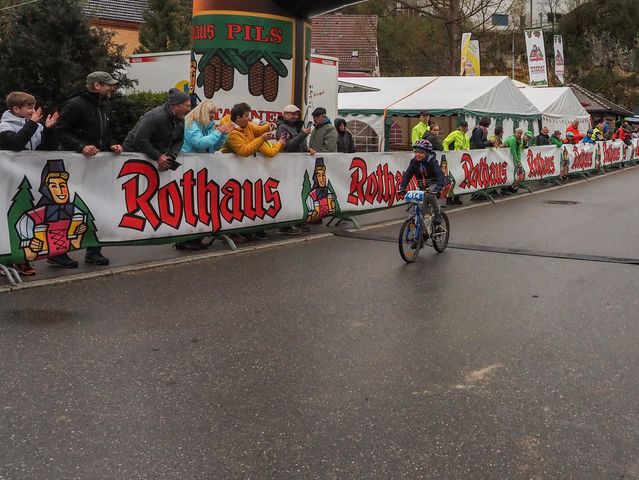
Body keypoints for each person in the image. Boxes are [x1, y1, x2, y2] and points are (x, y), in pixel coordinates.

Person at [53, 71, 123, 268]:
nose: (111, 88)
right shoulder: (75, 105)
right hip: (74, 165)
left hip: (97, 165)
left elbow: (105, 134)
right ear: (97, 85)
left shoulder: (104, 106)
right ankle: (58, 252)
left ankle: (94, 251)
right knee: (68, 207)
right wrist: (80, 146)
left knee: (96, 207)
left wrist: (112, 144)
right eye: (108, 85)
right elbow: (60, 131)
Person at [0, 92, 60, 276]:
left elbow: (46, 149)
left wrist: (48, 130)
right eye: (29, 107)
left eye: (34, 107)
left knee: (25, 219)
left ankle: (21, 258)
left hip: (28, 180)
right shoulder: (5, 125)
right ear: (16, 109)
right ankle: (5, 260)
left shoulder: (35, 125)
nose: (33, 110)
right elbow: (15, 144)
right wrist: (32, 125)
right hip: (7, 180)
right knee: (6, 219)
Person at [124, 87, 191, 171]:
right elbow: (140, 139)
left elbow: (179, 140)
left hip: (152, 156)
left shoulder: (180, 118)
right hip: (132, 154)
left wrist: (171, 156)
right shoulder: (156, 116)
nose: (189, 109)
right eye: (187, 106)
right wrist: (158, 156)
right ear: (177, 105)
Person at [275, 104, 313, 235]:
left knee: (296, 195)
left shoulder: (294, 127)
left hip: (296, 167)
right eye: (292, 114)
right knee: (287, 196)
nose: (295, 116)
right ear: (285, 114)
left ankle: (295, 220)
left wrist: (307, 149)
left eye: (296, 114)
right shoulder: (282, 128)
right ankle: (284, 225)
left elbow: (298, 144)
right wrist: (302, 135)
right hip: (287, 167)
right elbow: (288, 146)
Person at [397, 139, 445, 223]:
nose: (417, 154)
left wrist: (439, 187)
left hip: (433, 184)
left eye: (421, 152)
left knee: (429, 195)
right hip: (422, 186)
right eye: (416, 152)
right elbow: (407, 175)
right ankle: (416, 222)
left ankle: (438, 215)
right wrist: (402, 187)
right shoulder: (414, 162)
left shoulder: (432, 161)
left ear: (427, 153)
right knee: (418, 207)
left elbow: (440, 174)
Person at [442, 121, 469, 205]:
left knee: (459, 178)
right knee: (451, 179)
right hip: (454, 159)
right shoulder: (455, 133)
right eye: (462, 126)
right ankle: (449, 198)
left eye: (465, 126)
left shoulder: (467, 137)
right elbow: (445, 142)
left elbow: (468, 147)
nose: (464, 128)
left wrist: (467, 152)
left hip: (462, 160)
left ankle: (457, 197)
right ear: (460, 126)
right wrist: (447, 153)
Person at [503, 128, 525, 193]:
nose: (520, 135)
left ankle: (512, 186)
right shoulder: (512, 139)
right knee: (508, 172)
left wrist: (519, 161)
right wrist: (517, 161)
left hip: (510, 157)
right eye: (518, 133)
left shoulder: (520, 140)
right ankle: (506, 188)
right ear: (515, 133)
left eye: (521, 134)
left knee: (515, 172)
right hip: (505, 156)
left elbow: (518, 150)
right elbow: (513, 150)